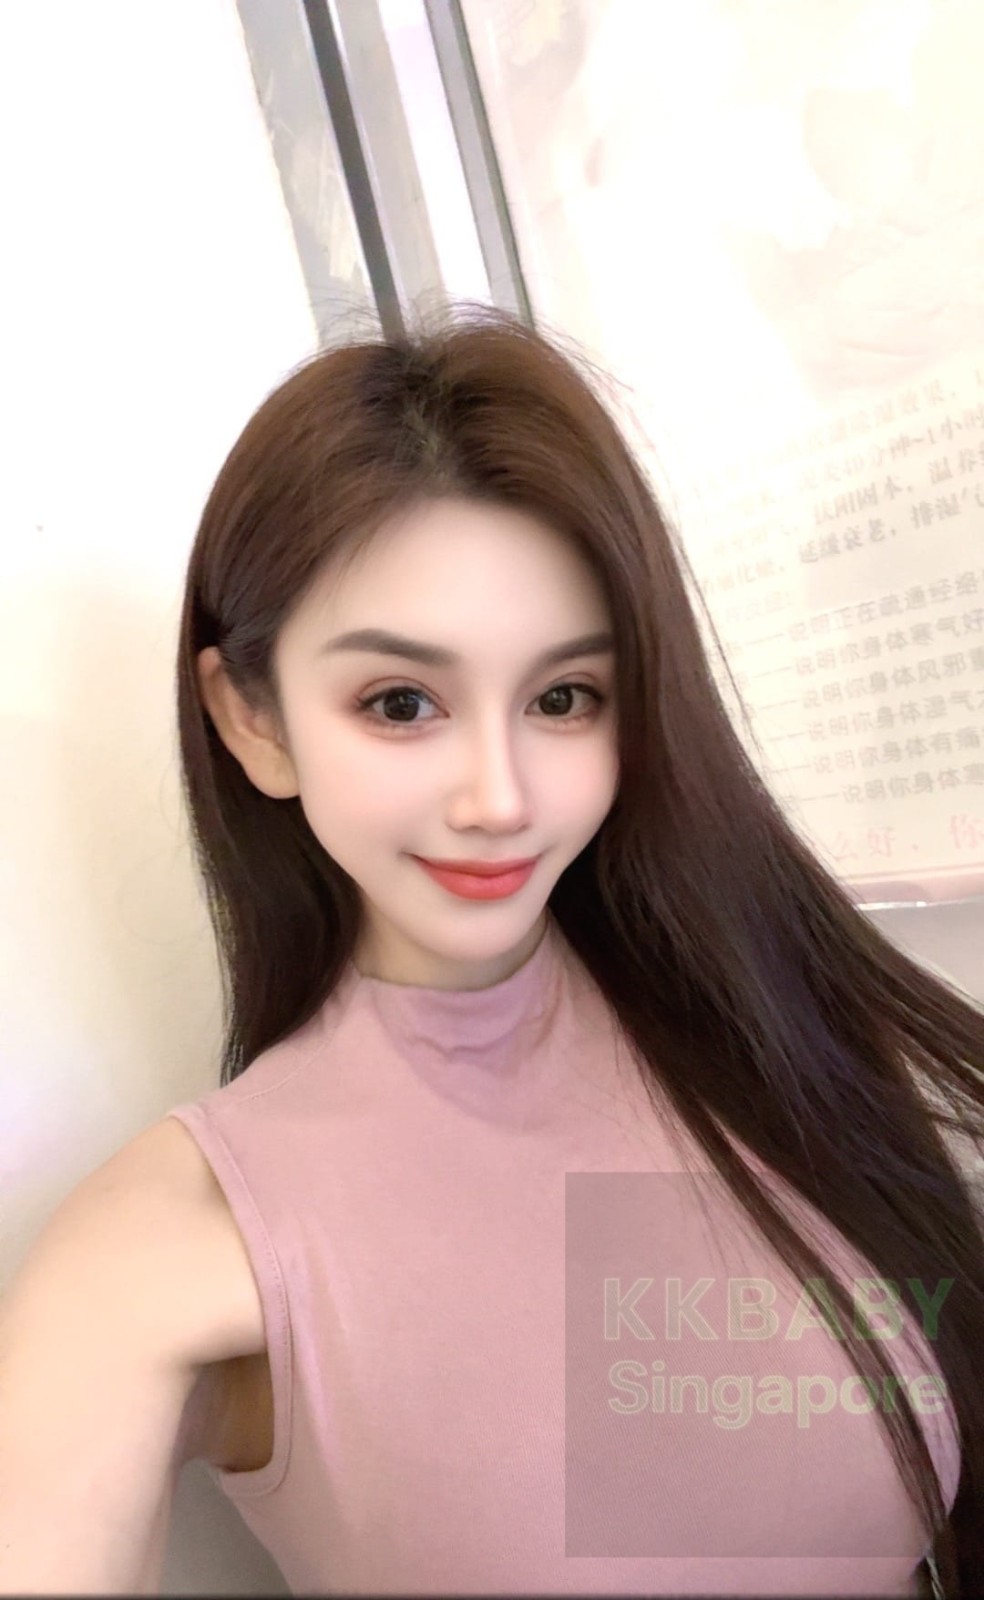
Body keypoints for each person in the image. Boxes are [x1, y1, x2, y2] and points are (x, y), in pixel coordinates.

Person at [1, 304, 982, 1597]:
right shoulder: (170, 1246)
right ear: (254, 722)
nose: (500, 798)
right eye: (402, 703)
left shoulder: (779, 1041)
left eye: (562, 698)